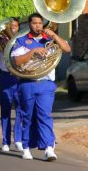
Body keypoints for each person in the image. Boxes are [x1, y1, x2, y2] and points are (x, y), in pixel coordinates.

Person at [11, 13, 71, 161]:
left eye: (40, 23)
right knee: (28, 116)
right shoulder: (22, 40)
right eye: (35, 23)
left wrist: (55, 36)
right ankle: (26, 147)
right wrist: (32, 52)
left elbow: (67, 49)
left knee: (45, 115)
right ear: (29, 25)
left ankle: (49, 148)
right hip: (27, 83)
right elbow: (16, 61)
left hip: (46, 83)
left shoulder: (48, 40)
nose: (38, 26)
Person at [0, 18, 22, 153]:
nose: (12, 29)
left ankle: (18, 139)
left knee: (20, 109)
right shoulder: (1, 41)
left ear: (19, 28)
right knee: (5, 110)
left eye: (15, 26)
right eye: (10, 27)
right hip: (6, 77)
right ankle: (6, 141)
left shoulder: (22, 41)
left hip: (19, 77)